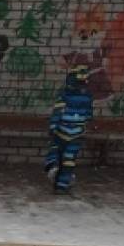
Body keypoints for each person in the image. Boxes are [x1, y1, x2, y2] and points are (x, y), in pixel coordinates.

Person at [45, 65, 93, 194]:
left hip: (61, 130)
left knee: (55, 150)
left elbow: (57, 113)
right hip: (77, 133)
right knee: (69, 160)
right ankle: (62, 185)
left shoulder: (64, 94)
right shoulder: (88, 96)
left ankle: (53, 165)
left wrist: (53, 127)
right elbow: (89, 116)